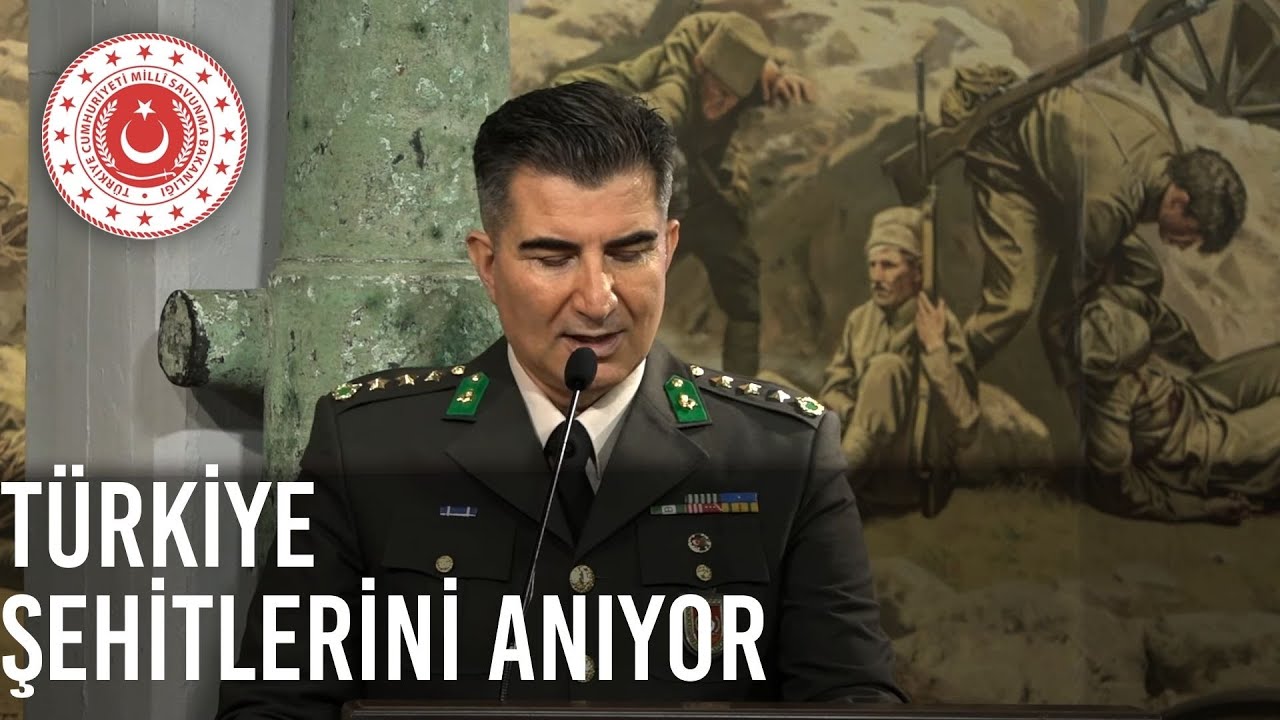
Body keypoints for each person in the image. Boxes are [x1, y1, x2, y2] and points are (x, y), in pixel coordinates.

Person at [216, 81, 904, 718]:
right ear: (489, 264)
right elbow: (276, 705)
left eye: (629, 253)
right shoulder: (367, 446)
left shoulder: (785, 452)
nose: (598, 299)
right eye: (553, 257)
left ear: (668, 249)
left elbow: (853, 699)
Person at [938, 68, 1247, 385]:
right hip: (1012, 168)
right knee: (1012, 304)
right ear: (1179, 201)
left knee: (1145, 272)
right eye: (1192, 234)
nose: (1185, 245)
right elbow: (1057, 311)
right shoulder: (1111, 203)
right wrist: (1070, 380)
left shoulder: (1162, 156)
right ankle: (942, 369)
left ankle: (1139, 346)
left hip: (1065, 178)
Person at [549, 11, 815, 376]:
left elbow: (750, 57)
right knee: (619, 286)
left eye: (730, 97)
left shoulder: (745, 74)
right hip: (644, 189)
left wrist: (775, 73)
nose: (719, 102)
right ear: (700, 69)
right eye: (715, 89)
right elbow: (658, 117)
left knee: (741, 281)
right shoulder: (678, 82)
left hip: (696, 192)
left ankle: (743, 392)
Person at [818, 206, 979, 510]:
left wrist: (936, 349)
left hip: (908, 474)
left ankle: (823, 495)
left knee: (885, 369)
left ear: (917, 273)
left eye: (888, 265)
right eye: (872, 265)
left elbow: (967, 424)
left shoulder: (940, 324)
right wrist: (855, 411)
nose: (877, 277)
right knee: (770, 390)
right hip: (858, 455)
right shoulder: (859, 321)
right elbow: (832, 389)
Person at [1077, 292, 1280, 523]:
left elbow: (1152, 313)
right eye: (1132, 371)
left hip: (1193, 397)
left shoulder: (1107, 313)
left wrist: (1200, 363)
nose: (1142, 375)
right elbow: (1116, 489)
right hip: (1193, 450)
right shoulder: (1107, 402)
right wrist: (1204, 508)